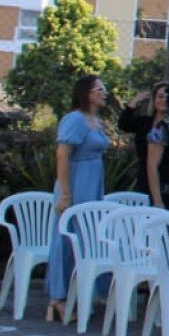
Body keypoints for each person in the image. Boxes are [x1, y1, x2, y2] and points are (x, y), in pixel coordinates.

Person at [45, 75, 110, 322]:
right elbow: (62, 155)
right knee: (65, 238)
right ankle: (57, 298)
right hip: (76, 183)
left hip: (92, 183)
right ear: (87, 93)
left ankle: (81, 293)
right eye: (99, 89)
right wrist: (65, 193)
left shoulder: (95, 121)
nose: (104, 92)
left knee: (86, 239)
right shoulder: (74, 120)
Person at [117, 82, 169, 193]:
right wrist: (135, 101)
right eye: (160, 96)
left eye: (168, 96)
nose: (164, 99)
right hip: (144, 176)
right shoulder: (145, 123)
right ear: (154, 100)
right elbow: (124, 124)